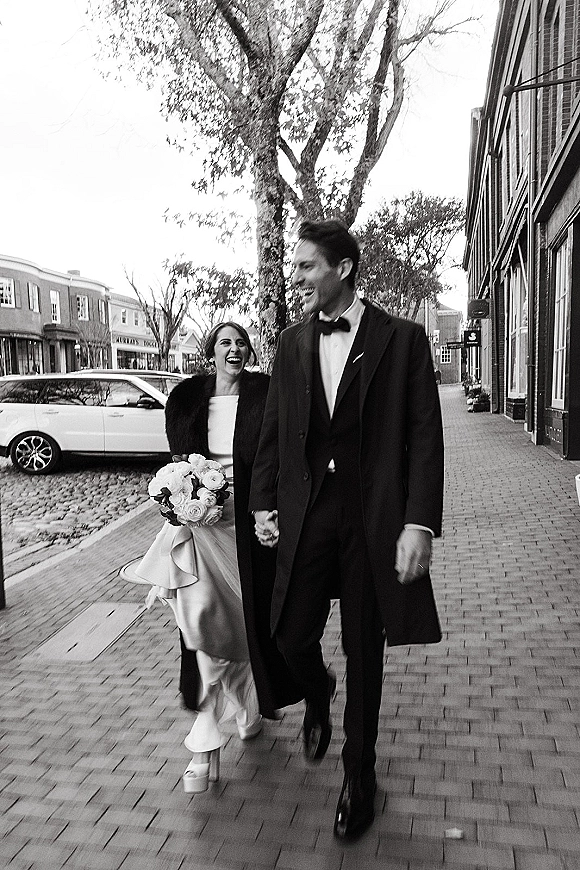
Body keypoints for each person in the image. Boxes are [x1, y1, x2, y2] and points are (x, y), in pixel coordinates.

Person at [249, 220, 444, 840]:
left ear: (343, 269)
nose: (297, 276)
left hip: (374, 515)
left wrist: (418, 523)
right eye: (296, 266)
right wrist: (261, 502)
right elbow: (275, 430)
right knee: (288, 632)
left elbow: (423, 437)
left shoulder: (402, 339)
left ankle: (360, 777)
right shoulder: (289, 343)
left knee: (366, 648)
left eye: (307, 266)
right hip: (308, 511)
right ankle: (317, 689)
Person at [135, 322, 301, 794]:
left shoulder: (266, 393)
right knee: (202, 633)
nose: (235, 349)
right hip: (199, 534)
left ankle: (247, 708)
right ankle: (204, 749)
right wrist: (180, 500)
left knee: (247, 632)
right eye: (225, 342)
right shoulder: (187, 398)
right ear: (211, 351)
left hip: (248, 533)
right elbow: (177, 462)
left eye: (241, 342)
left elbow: (280, 458)